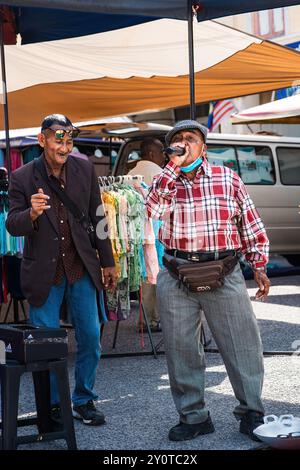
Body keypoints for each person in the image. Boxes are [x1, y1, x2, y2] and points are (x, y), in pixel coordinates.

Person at [146, 119, 271, 442]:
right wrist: (172, 168)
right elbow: (154, 211)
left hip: (223, 270)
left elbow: (250, 221)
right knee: (181, 348)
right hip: (176, 274)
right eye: (178, 139)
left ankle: (252, 412)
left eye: (191, 138)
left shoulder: (227, 178)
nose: (184, 143)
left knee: (242, 345)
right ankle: (194, 416)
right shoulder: (166, 180)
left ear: (204, 146)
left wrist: (258, 264)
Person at [6, 114, 118, 427]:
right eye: (59, 139)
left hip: (81, 266)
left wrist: (108, 261)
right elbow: (11, 224)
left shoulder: (84, 169)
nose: (65, 146)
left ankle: (84, 399)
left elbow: (99, 217)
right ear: (42, 140)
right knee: (47, 346)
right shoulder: (22, 177)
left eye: (69, 140)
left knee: (91, 337)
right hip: (44, 273)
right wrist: (31, 213)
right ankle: (54, 406)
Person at [128, 138, 165, 333]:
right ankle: (153, 319)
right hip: (155, 233)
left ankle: (146, 318)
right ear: (151, 154)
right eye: (161, 152)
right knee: (154, 275)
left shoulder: (131, 173)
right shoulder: (158, 174)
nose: (163, 156)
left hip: (135, 233)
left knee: (143, 274)